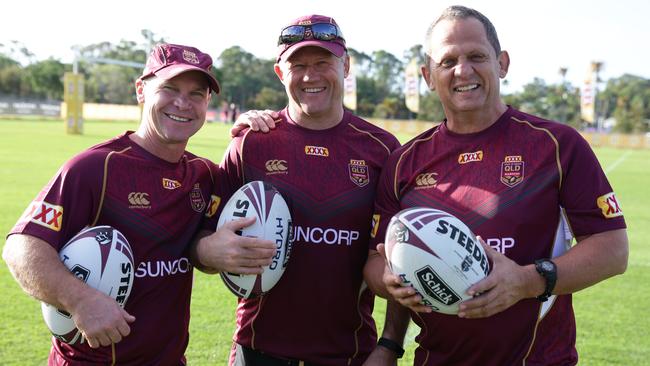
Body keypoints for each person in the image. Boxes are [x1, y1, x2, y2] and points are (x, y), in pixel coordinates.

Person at [364, 5, 629, 365]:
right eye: (448, 61)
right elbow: (376, 261)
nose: (463, 71)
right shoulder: (403, 162)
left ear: (502, 63)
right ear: (428, 75)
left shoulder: (557, 144)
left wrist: (527, 281)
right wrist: (389, 284)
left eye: (476, 56)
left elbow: (613, 249)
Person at [3, 43, 275, 365]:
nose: (182, 103)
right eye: (169, 89)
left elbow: (209, 247)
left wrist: (254, 129)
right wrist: (80, 299)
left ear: (208, 103)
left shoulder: (204, 176)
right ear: (141, 91)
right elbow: (22, 247)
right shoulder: (95, 168)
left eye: (196, 94)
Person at [192, 14, 401, 365]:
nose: (310, 75)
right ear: (280, 73)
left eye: (323, 63)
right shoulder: (251, 144)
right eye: (298, 64)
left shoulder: (382, 149)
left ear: (346, 65)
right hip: (256, 349)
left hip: (349, 353)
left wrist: (390, 345)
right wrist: (206, 251)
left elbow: (397, 255)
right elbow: (200, 241)